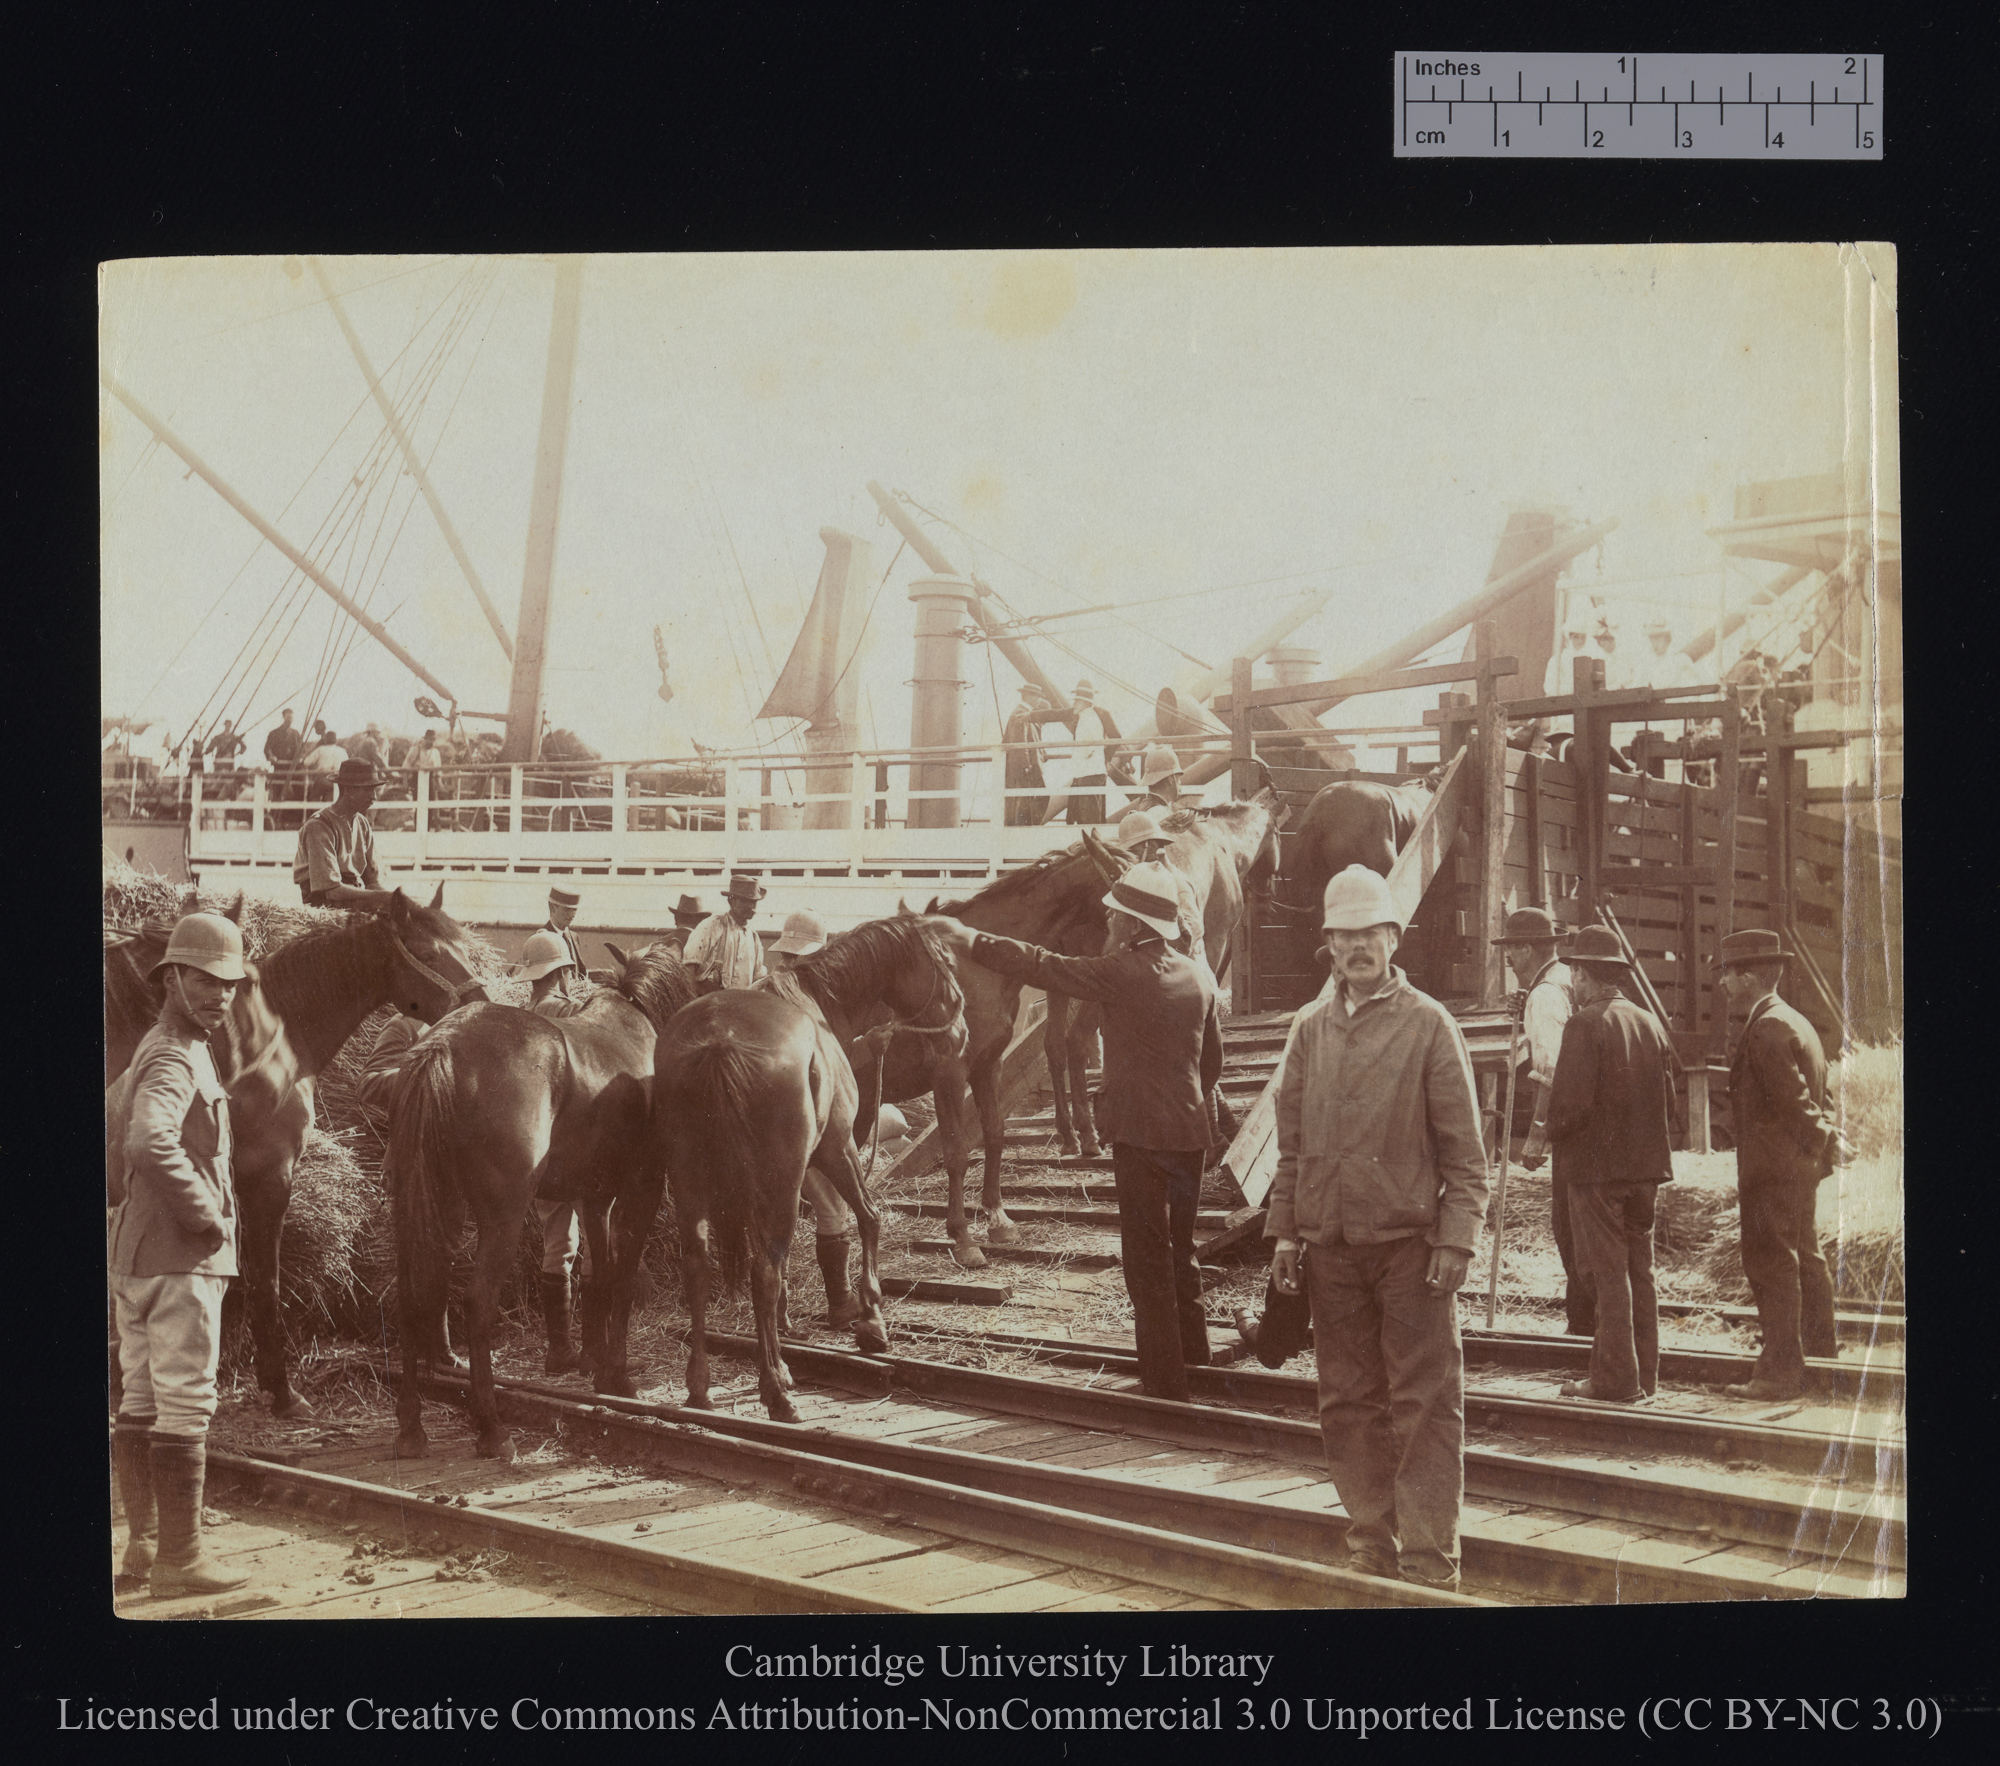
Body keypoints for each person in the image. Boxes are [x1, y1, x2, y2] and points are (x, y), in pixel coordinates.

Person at [1265, 863, 1489, 1590]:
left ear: (1394, 937)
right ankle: (1371, 1542)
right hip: (1329, 1248)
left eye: (1371, 933)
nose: (1358, 947)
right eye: (1344, 935)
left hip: (1410, 1251)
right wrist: (1286, 1234)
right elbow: (1291, 1147)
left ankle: (1429, 1563)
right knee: (1347, 1402)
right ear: (1328, 945)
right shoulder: (1308, 1029)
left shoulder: (1429, 1026)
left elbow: (1466, 1155)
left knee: (1424, 1402)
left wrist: (1456, 1239)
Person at [930, 861, 1223, 1400]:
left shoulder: (1119, 971)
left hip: (1138, 1135)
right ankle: (1196, 1357)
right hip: (1190, 1133)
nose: (1108, 925)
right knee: (1181, 1249)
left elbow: (1043, 965)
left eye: (1115, 917)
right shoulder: (1200, 976)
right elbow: (1212, 1064)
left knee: (1146, 1256)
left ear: (1134, 927)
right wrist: (1187, 1105)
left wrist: (971, 938)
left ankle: (1164, 1384)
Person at [108, 912, 253, 1600]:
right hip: (177, 1259)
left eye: (229, 984)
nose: (219, 995)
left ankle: (140, 1549)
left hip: (135, 1256)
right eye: (203, 980)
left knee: (139, 1398)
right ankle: (182, 1559)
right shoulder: (174, 1054)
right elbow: (144, 1141)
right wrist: (206, 1217)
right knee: (187, 1403)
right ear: (169, 978)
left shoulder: (154, 1046)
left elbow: (115, 1137)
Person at [1544, 927, 1677, 1404]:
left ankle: (1614, 1380)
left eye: (1574, 972)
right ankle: (1645, 1377)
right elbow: (1671, 1104)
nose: (1573, 982)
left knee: (1606, 1274)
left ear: (1582, 974)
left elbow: (1568, 1109)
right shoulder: (1648, 1022)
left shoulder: (1584, 1024)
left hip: (1596, 1174)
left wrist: (1549, 1134)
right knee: (1640, 1271)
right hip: (1645, 1172)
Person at [1716, 929, 1840, 1400]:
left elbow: (1795, 1101)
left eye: (1728, 973)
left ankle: (1779, 1375)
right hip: (1799, 1168)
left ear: (1748, 976)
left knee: (1771, 1265)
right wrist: (1822, 1141)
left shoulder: (1766, 1027)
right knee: (1807, 1260)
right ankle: (1820, 1363)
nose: (1724, 984)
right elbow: (1819, 1095)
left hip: (1772, 1169)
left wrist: (1822, 1135)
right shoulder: (1797, 1022)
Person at [765, 908, 867, 1329]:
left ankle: (778, 1309)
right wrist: (867, 1050)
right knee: (832, 1202)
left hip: (763, 1121)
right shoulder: (806, 1003)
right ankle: (841, 1301)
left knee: (772, 1207)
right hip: (806, 1120)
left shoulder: (758, 990)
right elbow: (824, 1071)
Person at [1500, 908, 1593, 1337]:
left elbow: (1551, 1070)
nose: (1508, 959)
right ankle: (1588, 1325)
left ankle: (1583, 1329)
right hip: (1590, 1122)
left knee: (1570, 1229)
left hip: (1571, 1130)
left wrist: (1538, 1135)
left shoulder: (1545, 996)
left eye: (1511, 949)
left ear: (1527, 948)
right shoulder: (1563, 982)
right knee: (1581, 1229)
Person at [291, 759, 388, 908]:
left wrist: (396, 900)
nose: (373, 796)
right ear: (349, 790)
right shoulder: (319, 826)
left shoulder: (362, 823)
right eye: (367, 789)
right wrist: (384, 897)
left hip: (353, 899)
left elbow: (373, 881)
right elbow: (332, 891)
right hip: (324, 906)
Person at [1044, 679, 1116, 826]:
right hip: (1082, 775)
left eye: (1077, 700)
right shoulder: (1083, 716)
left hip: (1091, 775)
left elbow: (1112, 739)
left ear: (1084, 702)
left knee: (1090, 819)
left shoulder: (1094, 717)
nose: (1074, 703)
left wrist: (1104, 758)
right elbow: (1057, 714)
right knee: (1076, 816)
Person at [684, 872, 768, 990]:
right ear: (731, 901)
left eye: (754, 902)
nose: (751, 907)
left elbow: (758, 979)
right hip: (709, 1001)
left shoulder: (753, 938)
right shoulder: (713, 926)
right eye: (745, 901)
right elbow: (689, 968)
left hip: (740, 1004)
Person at [1001, 683, 1050, 826]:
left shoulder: (1023, 712)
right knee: (1029, 800)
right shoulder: (1020, 713)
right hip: (1025, 769)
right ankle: (1025, 829)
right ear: (1028, 696)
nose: (1038, 701)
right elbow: (1019, 741)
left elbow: (1029, 739)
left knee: (1025, 801)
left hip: (1027, 767)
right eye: (1037, 697)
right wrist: (1026, 765)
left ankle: (1026, 827)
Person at [541, 886, 588, 1005]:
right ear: (552, 908)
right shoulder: (541, 938)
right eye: (567, 909)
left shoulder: (574, 937)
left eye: (574, 910)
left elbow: (581, 972)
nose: (572, 914)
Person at [1125, 743, 1184, 814]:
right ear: (1171, 779)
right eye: (1178, 778)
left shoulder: (1146, 806)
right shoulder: (1160, 811)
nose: (1180, 782)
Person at [304, 728, 347, 803]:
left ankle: (316, 814)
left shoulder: (321, 749)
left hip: (322, 778)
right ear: (335, 740)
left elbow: (306, 762)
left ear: (326, 739)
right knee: (330, 802)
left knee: (314, 799)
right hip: (336, 780)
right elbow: (347, 765)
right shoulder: (342, 751)